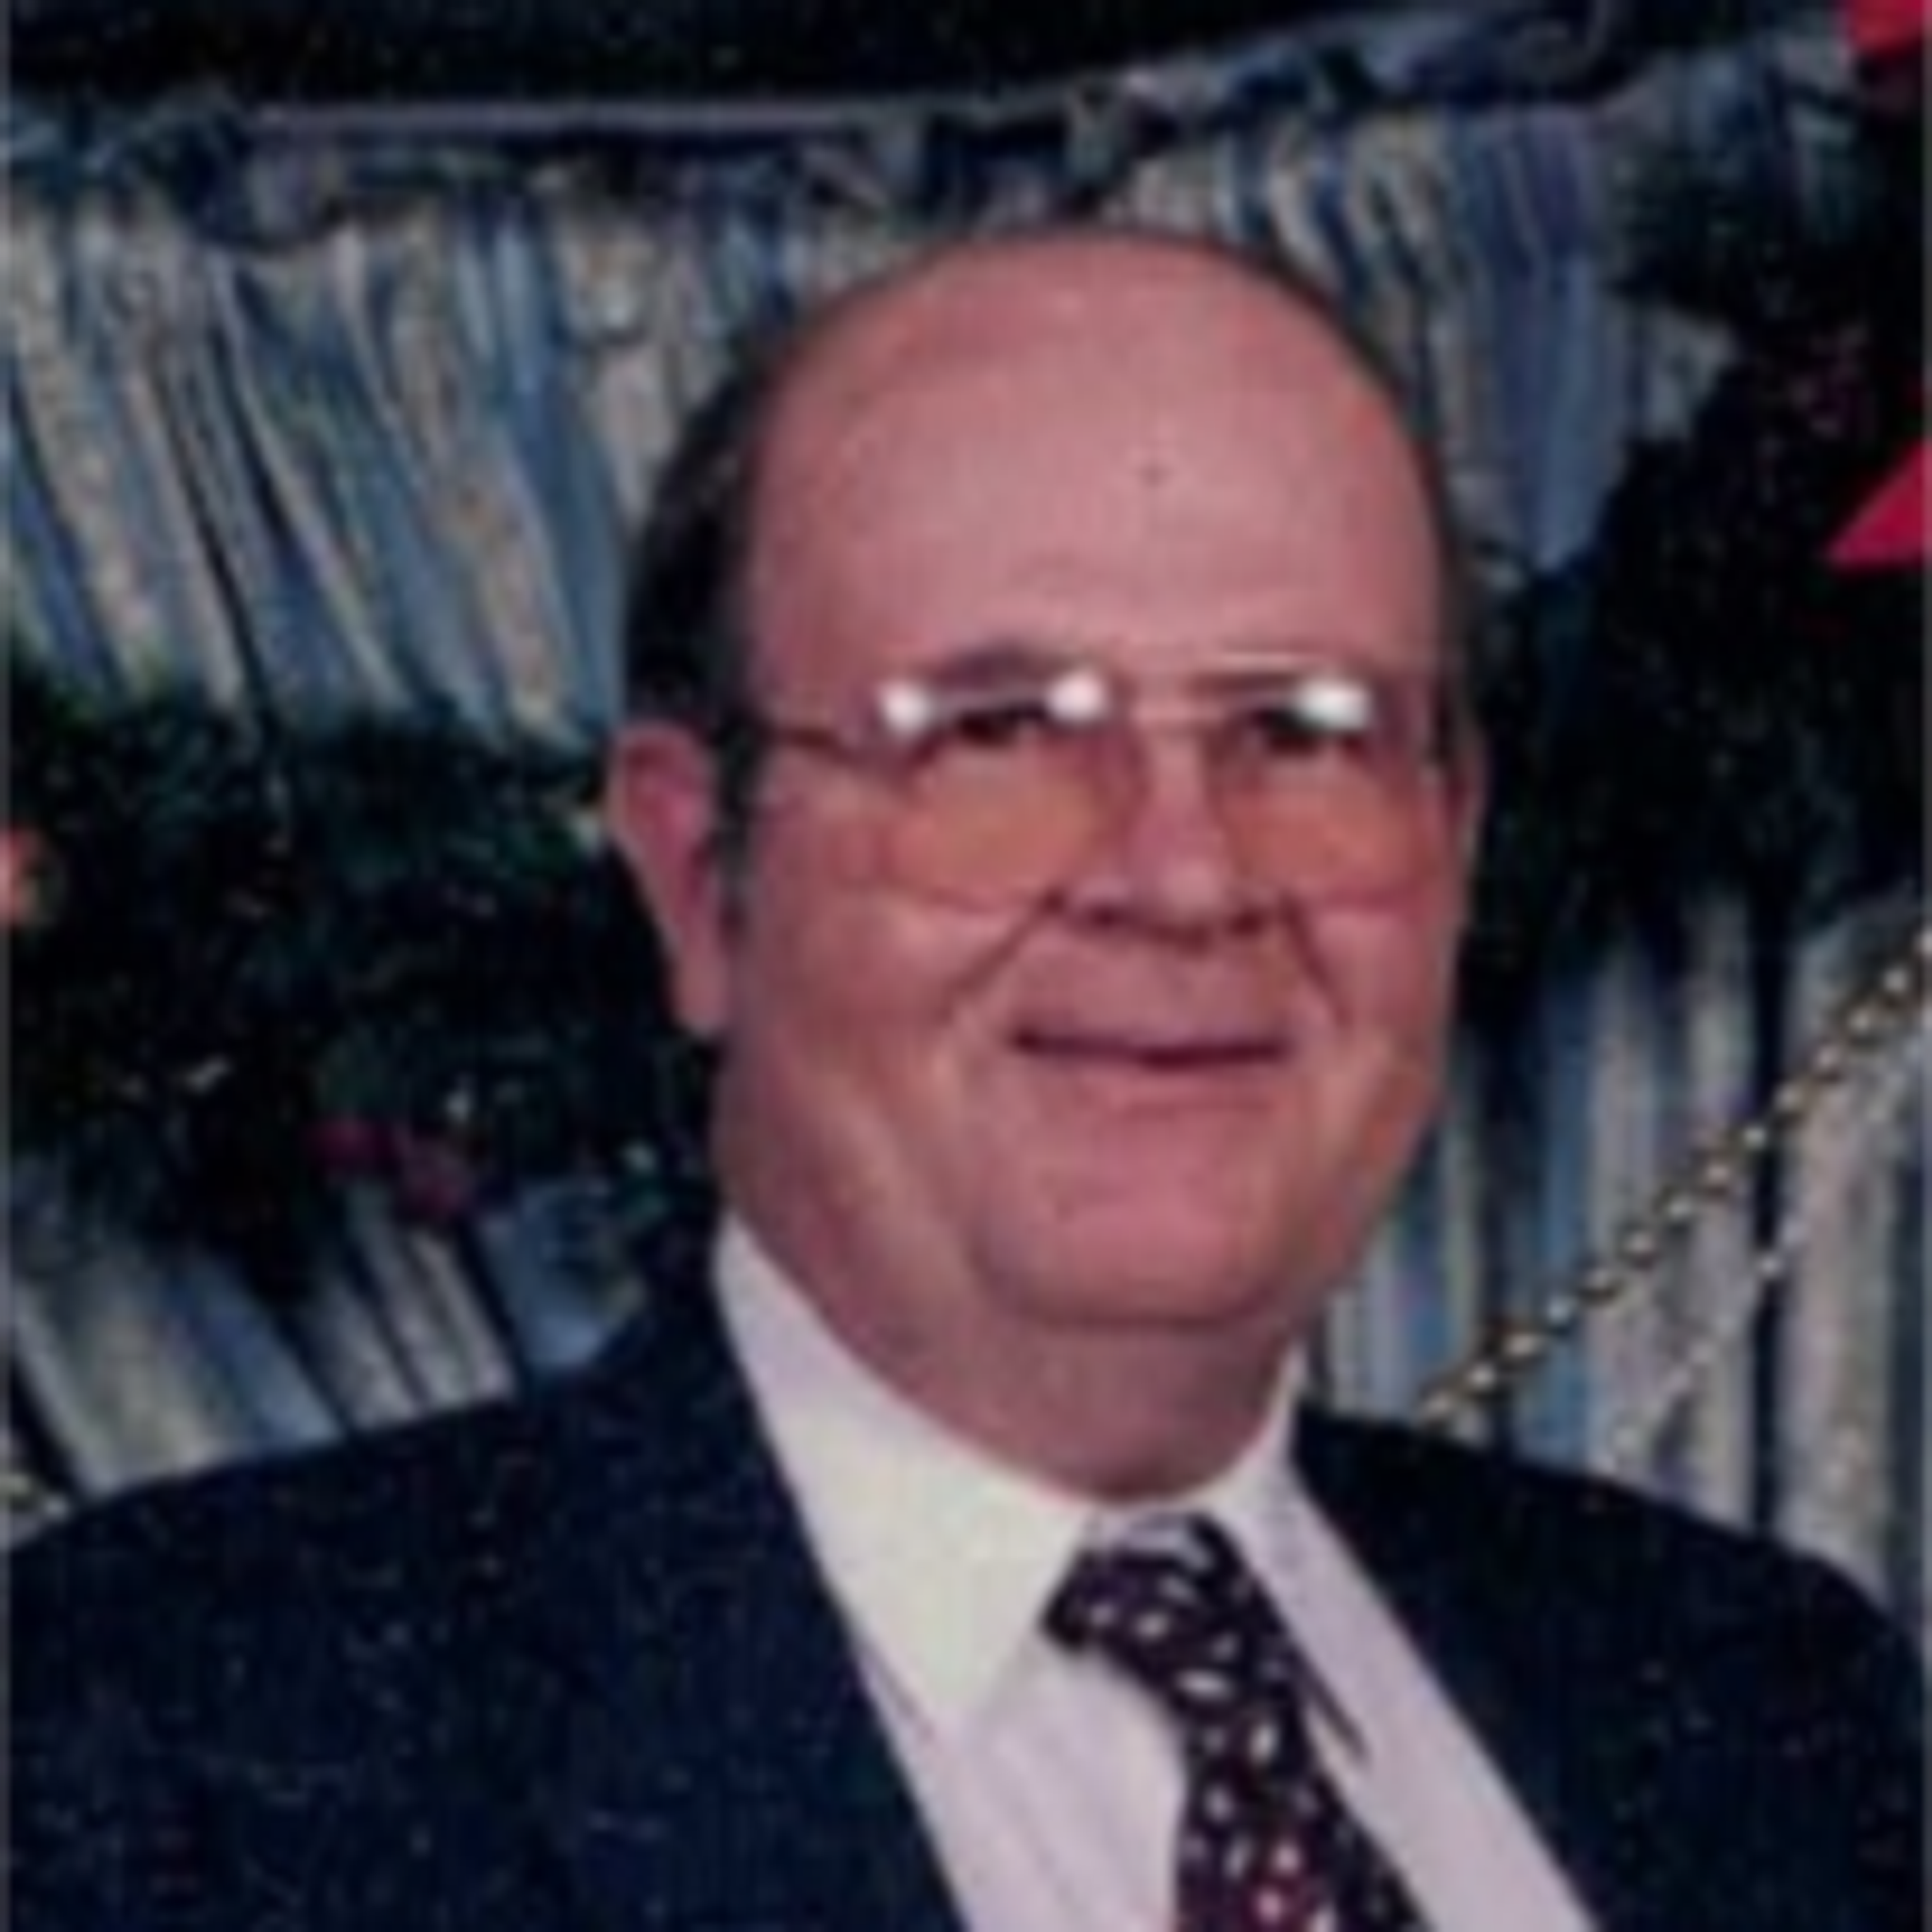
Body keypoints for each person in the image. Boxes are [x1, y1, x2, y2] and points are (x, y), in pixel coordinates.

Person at [1, 225, 1927, 1932]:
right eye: (995, 734)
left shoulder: (1766, 1706)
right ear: (697, 872)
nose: (1185, 877)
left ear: (1453, 833)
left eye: (1304, 731)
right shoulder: (162, 1757)